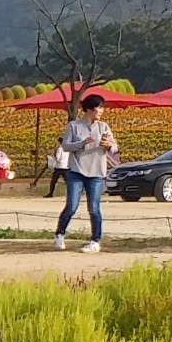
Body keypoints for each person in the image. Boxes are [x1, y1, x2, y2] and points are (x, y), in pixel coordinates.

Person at [53, 93, 116, 253]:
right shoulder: (74, 126)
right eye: (98, 108)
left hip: (96, 173)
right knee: (72, 206)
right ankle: (60, 234)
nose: (100, 112)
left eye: (102, 108)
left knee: (94, 208)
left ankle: (95, 240)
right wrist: (81, 143)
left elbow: (115, 148)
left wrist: (109, 145)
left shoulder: (104, 127)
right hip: (77, 172)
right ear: (88, 109)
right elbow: (66, 146)